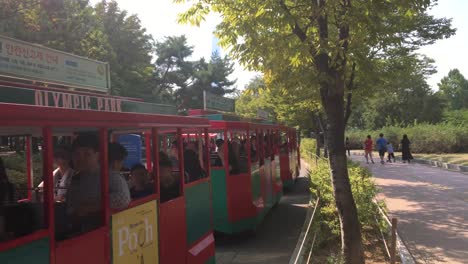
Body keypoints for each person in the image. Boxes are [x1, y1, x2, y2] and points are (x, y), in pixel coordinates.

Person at [66, 133, 102, 234]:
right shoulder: (75, 178)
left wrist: (88, 208)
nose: (81, 159)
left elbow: (123, 199)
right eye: (77, 154)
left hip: (97, 234)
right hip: (77, 231)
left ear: (97, 155)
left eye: (87, 154)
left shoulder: (110, 177)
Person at [108, 142, 131, 210]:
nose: (122, 165)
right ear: (115, 162)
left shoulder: (88, 175)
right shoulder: (114, 177)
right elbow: (124, 200)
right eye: (122, 162)